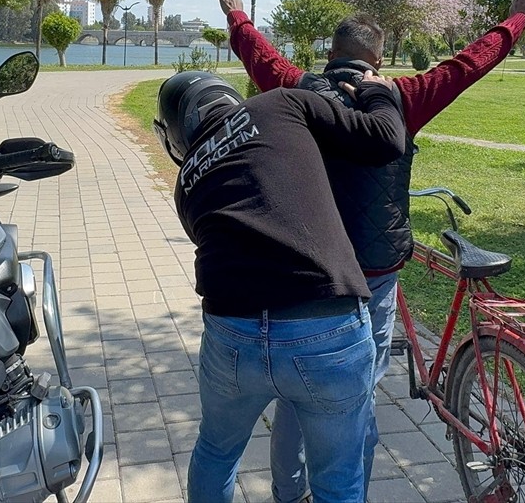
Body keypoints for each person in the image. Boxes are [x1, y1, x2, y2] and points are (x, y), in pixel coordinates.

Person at [216, 0, 525, 502]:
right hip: (373, 275)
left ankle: (289, 493)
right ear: (380, 57)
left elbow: (258, 53)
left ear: (331, 53)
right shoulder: (404, 97)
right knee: (355, 401)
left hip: (309, 273)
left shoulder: (294, 89)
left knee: (297, 401)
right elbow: (469, 64)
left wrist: (237, 14)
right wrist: (518, 17)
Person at [155, 69, 407, 503]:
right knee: (338, 478)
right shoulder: (282, 102)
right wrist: (376, 91)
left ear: (178, 133)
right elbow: (386, 139)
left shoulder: (186, 183)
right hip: (326, 325)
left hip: (231, 332)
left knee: (216, 449)